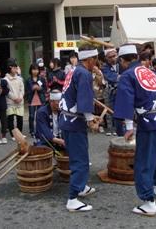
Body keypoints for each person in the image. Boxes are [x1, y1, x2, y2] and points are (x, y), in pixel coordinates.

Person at [114, 44, 156, 217]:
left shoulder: (127, 75)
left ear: (123, 60)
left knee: (144, 161)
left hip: (149, 122)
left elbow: (125, 101)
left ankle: (149, 203)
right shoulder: (149, 71)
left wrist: (129, 127)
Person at [59, 45, 101, 212]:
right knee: (80, 160)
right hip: (74, 123)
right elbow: (84, 99)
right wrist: (91, 119)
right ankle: (73, 198)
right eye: (95, 60)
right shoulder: (83, 73)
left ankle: (81, 186)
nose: (97, 63)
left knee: (78, 156)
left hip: (67, 120)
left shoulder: (73, 70)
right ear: (89, 59)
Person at [102, 48, 123, 137]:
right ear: (106, 58)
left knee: (123, 111)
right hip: (111, 91)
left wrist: (120, 77)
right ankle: (112, 129)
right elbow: (111, 77)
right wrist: (122, 77)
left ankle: (124, 130)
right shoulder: (105, 67)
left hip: (122, 91)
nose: (113, 58)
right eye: (110, 57)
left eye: (114, 56)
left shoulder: (122, 64)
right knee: (110, 111)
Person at [5, 59, 25, 140]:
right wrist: (14, 98)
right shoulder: (5, 79)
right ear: (10, 68)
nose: (16, 69)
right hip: (10, 102)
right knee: (11, 119)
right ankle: (13, 135)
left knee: (20, 119)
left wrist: (20, 97)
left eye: (16, 68)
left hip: (19, 101)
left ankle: (19, 134)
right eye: (14, 68)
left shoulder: (19, 79)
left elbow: (22, 89)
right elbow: (7, 91)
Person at [25, 64, 47, 139]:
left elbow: (45, 89)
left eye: (37, 69)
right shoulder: (28, 80)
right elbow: (26, 91)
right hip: (32, 100)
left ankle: (39, 130)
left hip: (41, 100)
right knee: (31, 116)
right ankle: (32, 131)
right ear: (31, 70)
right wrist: (32, 88)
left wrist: (39, 88)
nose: (35, 71)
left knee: (40, 116)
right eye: (33, 69)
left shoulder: (42, 79)